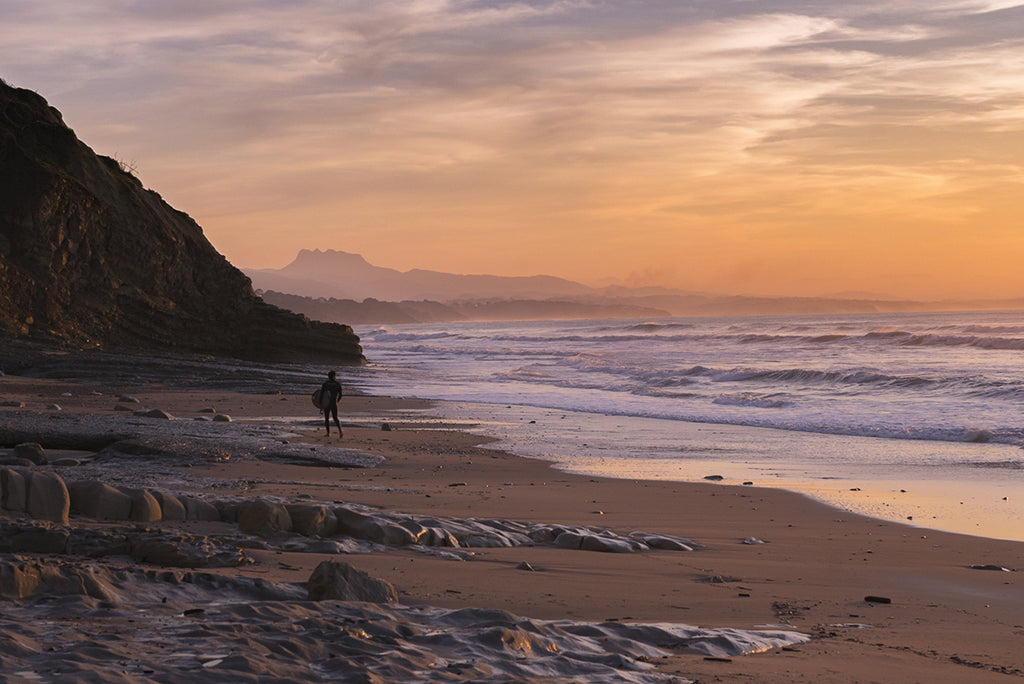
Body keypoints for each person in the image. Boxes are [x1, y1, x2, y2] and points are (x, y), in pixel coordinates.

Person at [321, 370, 343, 438]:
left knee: (326, 418)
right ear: (334, 376)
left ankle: (328, 433)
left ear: (328, 376)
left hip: (327, 402)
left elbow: (322, 394)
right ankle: (340, 431)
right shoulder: (337, 384)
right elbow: (340, 395)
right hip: (334, 402)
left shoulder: (325, 384)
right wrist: (337, 401)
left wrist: (320, 403)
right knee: (335, 417)